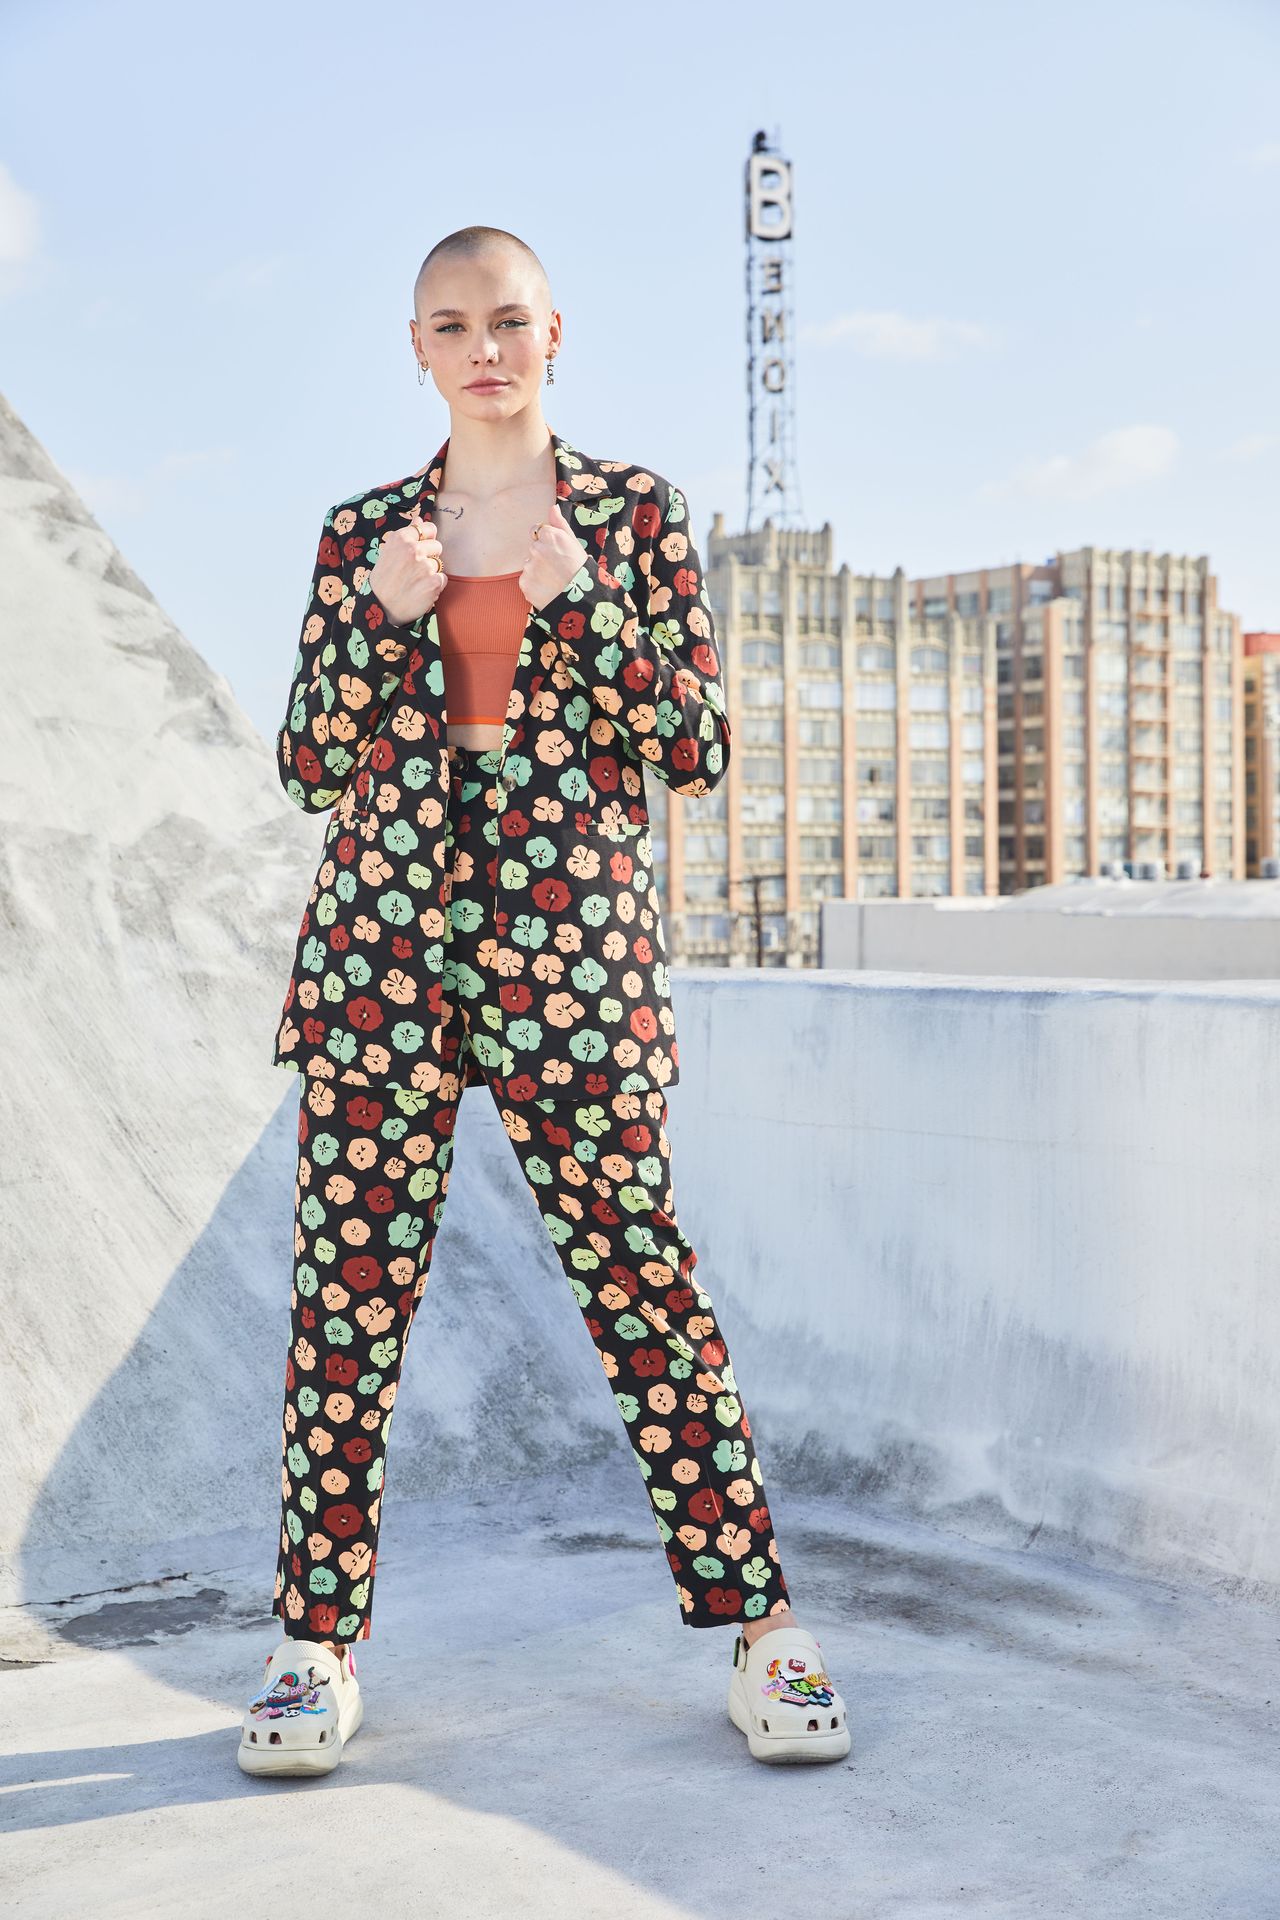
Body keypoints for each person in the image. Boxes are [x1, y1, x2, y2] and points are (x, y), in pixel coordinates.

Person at [237, 225, 851, 1777]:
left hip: (569, 954)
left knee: (643, 1284)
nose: (485, 350)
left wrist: (584, 608)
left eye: (508, 320)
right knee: (346, 1305)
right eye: (453, 326)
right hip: (383, 952)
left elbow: (694, 747)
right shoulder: (363, 533)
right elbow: (307, 760)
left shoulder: (633, 515)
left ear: (554, 331)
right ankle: (312, 1647)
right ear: (419, 350)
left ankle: (765, 1633)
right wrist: (381, 618)